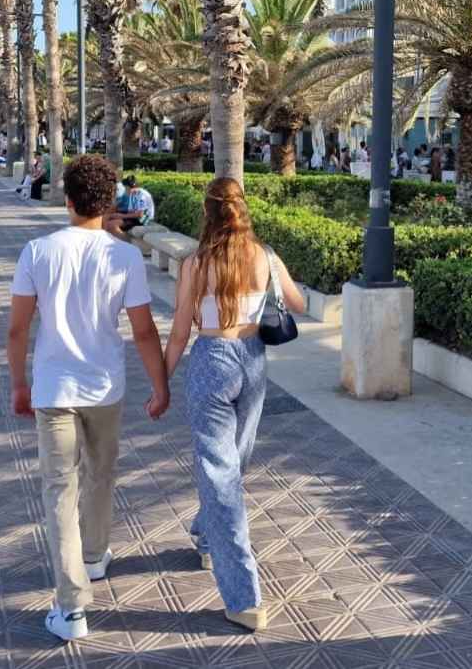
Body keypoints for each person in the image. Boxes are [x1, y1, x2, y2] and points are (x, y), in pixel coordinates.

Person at [6, 155, 168, 642]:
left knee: (60, 489)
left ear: (69, 198)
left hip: (54, 390)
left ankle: (72, 605)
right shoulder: (124, 257)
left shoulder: (38, 251)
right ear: (108, 201)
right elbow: (142, 332)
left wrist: (18, 383)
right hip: (105, 389)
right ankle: (95, 556)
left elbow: (17, 329)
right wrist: (160, 386)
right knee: (101, 475)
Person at [162, 178, 307, 632]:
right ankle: (217, 548)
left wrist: (160, 382)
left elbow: (181, 332)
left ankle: (241, 595)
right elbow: (298, 303)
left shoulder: (195, 264)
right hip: (253, 362)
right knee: (229, 469)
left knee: (222, 473)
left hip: (211, 360)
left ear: (207, 213)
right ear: (243, 211)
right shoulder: (265, 256)